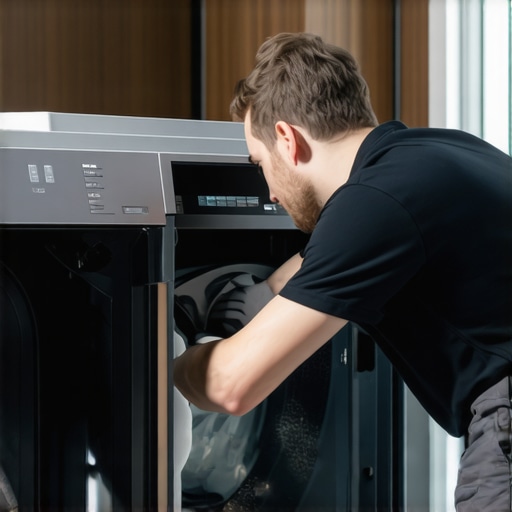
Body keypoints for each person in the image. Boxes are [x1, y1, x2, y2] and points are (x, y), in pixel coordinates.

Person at [173, 32, 512, 510]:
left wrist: (163, 361)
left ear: (288, 140)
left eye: (260, 164)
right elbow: (338, 256)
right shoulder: (437, 153)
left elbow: (231, 386)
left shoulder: (374, 202)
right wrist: (267, 292)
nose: (269, 192)